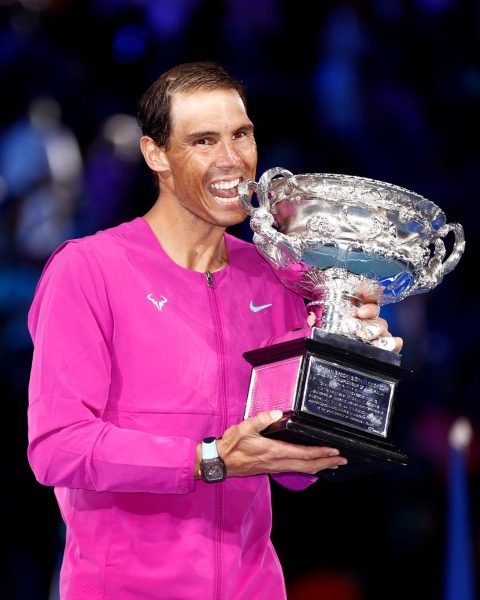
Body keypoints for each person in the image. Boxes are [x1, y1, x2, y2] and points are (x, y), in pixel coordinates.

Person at [27, 61, 403, 600]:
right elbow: (57, 447)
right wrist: (209, 460)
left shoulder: (275, 276)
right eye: (203, 140)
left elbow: (295, 469)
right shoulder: (88, 269)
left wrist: (350, 374)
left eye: (241, 134)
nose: (232, 159)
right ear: (156, 154)